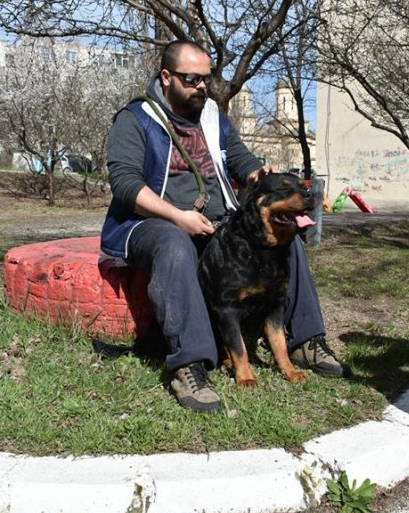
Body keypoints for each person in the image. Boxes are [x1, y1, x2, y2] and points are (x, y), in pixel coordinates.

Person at [100, 40, 347, 414]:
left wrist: (256, 173)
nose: (202, 86)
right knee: (174, 243)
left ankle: (307, 341)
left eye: (207, 78)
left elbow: (240, 158)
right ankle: (190, 365)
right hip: (149, 224)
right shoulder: (135, 119)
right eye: (192, 79)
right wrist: (177, 216)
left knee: (289, 233)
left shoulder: (213, 116)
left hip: (217, 223)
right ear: (166, 77)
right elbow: (126, 185)